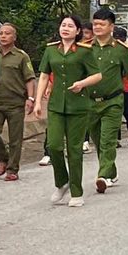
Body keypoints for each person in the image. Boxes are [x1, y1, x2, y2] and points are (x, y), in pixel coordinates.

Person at [32, 14, 92, 206]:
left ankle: (76, 192)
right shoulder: (51, 51)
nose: (65, 28)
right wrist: (38, 102)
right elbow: (43, 76)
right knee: (54, 146)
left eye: (70, 26)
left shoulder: (84, 51)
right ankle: (62, 181)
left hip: (78, 105)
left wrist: (82, 83)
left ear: (78, 31)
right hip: (57, 104)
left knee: (75, 150)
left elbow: (98, 74)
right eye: (63, 25)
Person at [84, 9, 128, 194]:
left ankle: (102, 175)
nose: (97, 27)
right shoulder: (85, 48)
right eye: (95, 24)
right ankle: (110, 171)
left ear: (111, 27)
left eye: (102, 24)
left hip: (113, 100)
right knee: (97, 139)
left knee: (107, 140)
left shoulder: (121, 50)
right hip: (90, 102)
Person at [0, 23, 36, 182]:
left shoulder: (21, 56)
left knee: (16, 138)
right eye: (0, 33)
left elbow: (30, 79)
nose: (3, 36)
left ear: (14, 37)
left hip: (15, 103)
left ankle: (12, 169)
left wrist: (31, 98)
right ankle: (3, 158)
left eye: (7, 33)